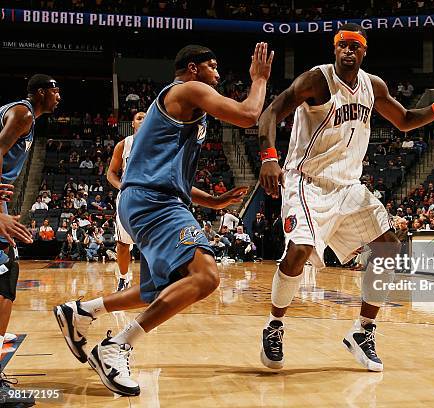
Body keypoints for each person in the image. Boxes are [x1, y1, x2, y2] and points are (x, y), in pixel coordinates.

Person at [54, 42, 273, 397]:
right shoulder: (188, 89)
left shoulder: (183, 105)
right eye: (212, 66)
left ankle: (81, 311)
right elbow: (249, 115)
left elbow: (173, 178)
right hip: (153, 200)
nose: (217, 74)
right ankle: (117, 346)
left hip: (151, 198)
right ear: (192, 68)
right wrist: (259, 79)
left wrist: (213, 200)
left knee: (159, 290)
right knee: (205, 277)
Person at [257, 23, 434, 372]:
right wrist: (268, 157)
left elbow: (402, 120)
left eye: (355, 45)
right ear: (335, 49)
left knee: (388, 246)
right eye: (343, 45)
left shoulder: (374, 86)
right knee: (300, 250)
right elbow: (269, 114)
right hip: (306, 181)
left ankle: (363, 330)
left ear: (364, 50)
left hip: (348, 186)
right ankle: (274, 325)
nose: (349, 50)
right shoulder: (317, 80)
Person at [0, 75, 57, 403]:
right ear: (40, 92)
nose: (59, 96)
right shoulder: (22, 113)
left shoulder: (19, 115)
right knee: (5, 278)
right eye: (54, 90)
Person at [106, 111, 146, 291]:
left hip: (150, 197)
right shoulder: (124, 144)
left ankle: (154, 281)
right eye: (139, 118)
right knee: (123, 244)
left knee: (151, 243)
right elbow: (111, 173)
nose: (143, 120)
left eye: (146, 117)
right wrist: (122, 187)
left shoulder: (159, 142)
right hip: (128, 197)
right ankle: (123, 279)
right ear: (132, 123)